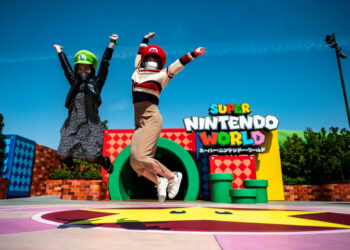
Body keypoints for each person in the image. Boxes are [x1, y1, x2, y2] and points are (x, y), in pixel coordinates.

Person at [130, 32, 205, 202]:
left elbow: (178, 65)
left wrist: (194, 53)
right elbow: (139, 53)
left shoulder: (162, 75)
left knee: (142, 157)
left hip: (151, 118)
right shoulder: (136, 72)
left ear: (159, 63)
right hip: (139, 122)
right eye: (149, 58)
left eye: (156, 60)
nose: (151, 61)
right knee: (135, 163)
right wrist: (145, 39)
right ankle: (160, 181)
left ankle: (173, 176)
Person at [53, 34, 119, 174]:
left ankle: (105, 162)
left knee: (92, 157)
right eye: (80, 69)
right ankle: (72, 167)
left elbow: (104, 64)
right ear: (77, 70)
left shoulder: (96, 83)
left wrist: (112, 43)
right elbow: (66, 68)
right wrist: (59, 51)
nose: (83, 72)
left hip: (91, 122)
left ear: (91, 70)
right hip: (73, 123)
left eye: (86, 69)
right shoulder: (74, 82)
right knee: (62, 154)